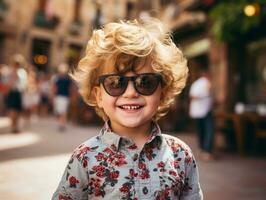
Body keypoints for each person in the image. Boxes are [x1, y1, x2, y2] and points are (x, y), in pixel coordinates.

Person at [52, 18, 203, 200]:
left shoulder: (180, 154)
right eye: (116, 83)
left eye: (145, 82)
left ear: (161, 93)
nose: (130, 93)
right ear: (99, 96)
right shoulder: (84, 158)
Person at [189, 66, 215, 161]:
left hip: (197, 112)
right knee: (209, 131)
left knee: (201, 131)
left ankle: (202, 149)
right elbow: (194, 96)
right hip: (205, 110)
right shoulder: (206, 83)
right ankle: (206, 151)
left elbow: (192, 96)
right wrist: (205, 96)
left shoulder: (195, 83)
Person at [52, 63, 72, 132]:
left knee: (62, 111)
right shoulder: (61, 79)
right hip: (62, 96)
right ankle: (62, 123)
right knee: (62, 111)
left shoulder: (62, 79)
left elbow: (55, 88)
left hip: (62, 97)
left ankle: (62, 124)